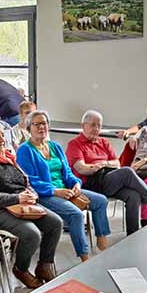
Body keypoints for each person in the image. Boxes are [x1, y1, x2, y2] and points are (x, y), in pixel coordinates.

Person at [0, 118, 62, 288]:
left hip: (19, 205)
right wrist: (17, 198)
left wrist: (30, 192)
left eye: (2, 135)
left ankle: (44, 265)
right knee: (32, 234)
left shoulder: (8, 157)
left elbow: (23, 183)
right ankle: (21, 269)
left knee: (55, 223)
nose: (2, 139)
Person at [17, 110, 110, 262]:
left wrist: (76, 184)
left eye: (44, 123)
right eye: (37, 124)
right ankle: (84, 256)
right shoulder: (24, 150)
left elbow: (67, 172)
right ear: (29, 128)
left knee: (101, 201)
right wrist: (55, 191)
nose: (42, 127)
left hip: (65, 190)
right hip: (44, 195)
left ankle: (102, 239)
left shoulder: (55, 146)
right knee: (76, 215)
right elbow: (30, 181)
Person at [66, 110, 147, 235]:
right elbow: (83, 169)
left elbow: (116, 163)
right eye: (93, 125)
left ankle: (133, 234)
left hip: (108, 179)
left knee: (134, 196)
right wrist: (100, 166)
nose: (96, 128)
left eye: (99, 125)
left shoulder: (103, 142)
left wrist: (103, 164)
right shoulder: (74, 144)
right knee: (127, 172)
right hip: (91, 184)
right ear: (83, 125)